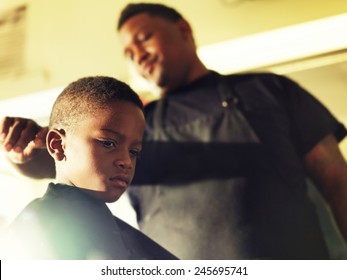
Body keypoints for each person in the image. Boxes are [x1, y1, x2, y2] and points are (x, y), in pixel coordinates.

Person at [1, 3, 347, 259]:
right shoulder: (138, 121)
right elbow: (59, 170)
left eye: (144, 38)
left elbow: (336, 178)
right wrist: (24, 151)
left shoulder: (268, 90)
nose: (137, 55)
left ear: (183, 31)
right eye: (128, 53)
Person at [0, 76, 177, 260]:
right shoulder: (38, 228)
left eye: (134, 151)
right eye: (108, 143)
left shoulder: (104, 227)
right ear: (58, 145)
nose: (126, 161)